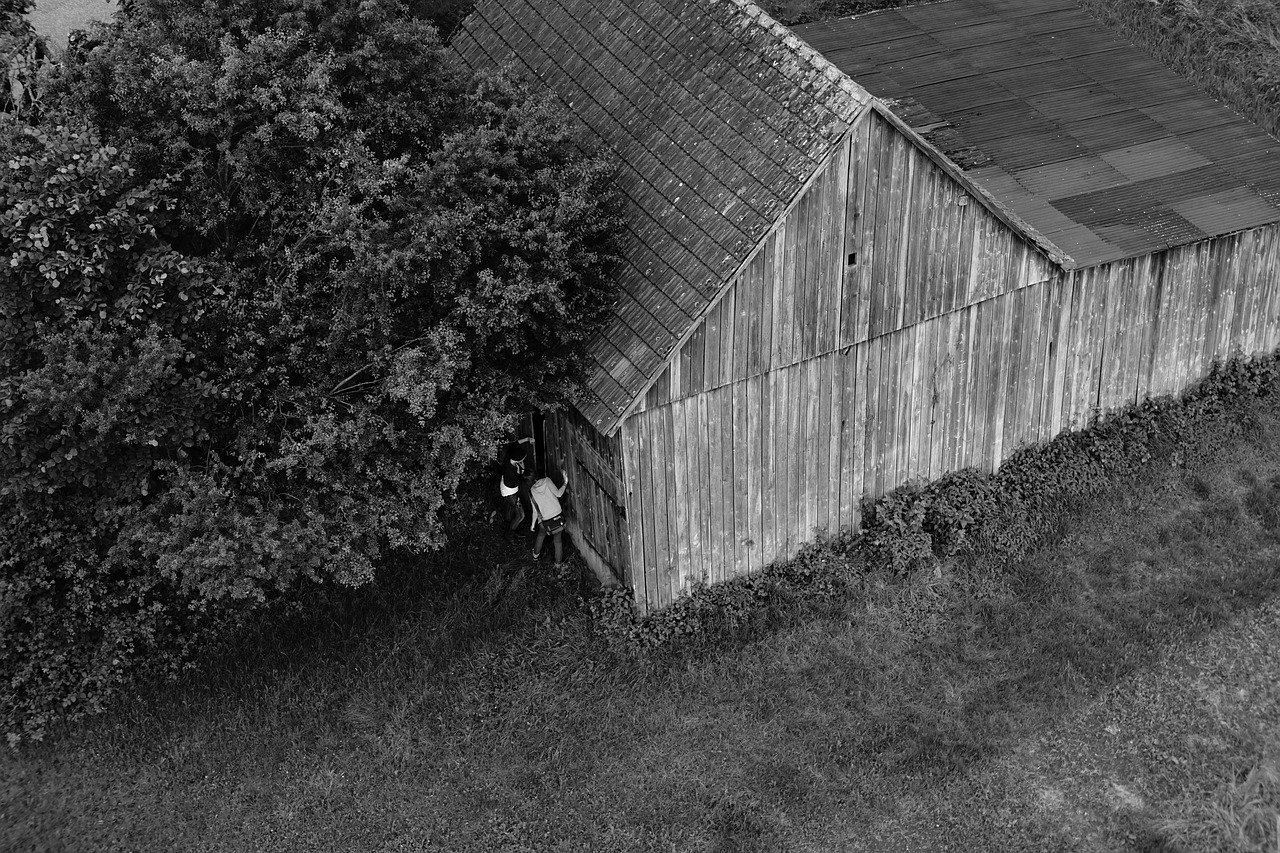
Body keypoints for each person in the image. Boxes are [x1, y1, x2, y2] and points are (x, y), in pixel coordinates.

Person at [527, 469, 569, 566]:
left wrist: (533, 524)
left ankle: (535, 555)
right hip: (558, 518)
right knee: (558, 541)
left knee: (541, 535)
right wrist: (565, 482)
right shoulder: (547, 481)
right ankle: (558, 564)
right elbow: (559, 494)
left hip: (546, 521)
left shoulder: (531, 491)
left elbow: (535, 511)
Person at [499, 436, 535, 538]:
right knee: (521, 515)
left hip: (505, 487)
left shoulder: (510, 455)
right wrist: (522, 470)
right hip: (510, 492)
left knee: (510, 506)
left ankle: (507, 520)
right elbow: (521, 480)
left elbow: (515, 443)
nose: (524, 460)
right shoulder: (512, 474)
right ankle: (510, 534)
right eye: (523, 459)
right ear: (518, 461)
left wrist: (527, 439)